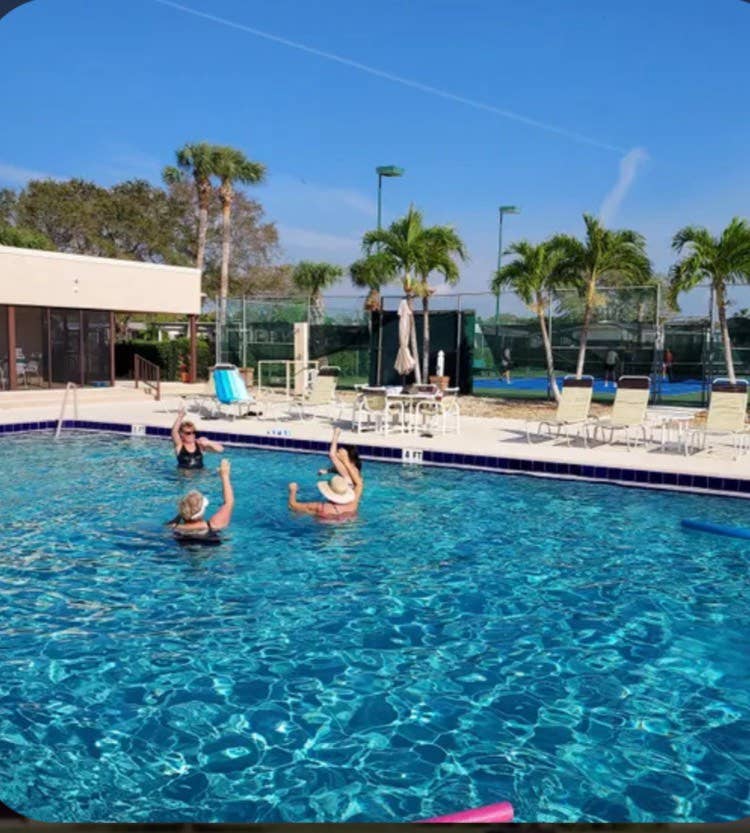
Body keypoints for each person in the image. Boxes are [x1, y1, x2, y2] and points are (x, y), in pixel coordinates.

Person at [289, 446, 363, 520]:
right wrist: (346, 461)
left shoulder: (321, 507)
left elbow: (292, 506)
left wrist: (293, 490)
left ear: (329, 491)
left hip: (327, 527)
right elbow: (359, 484)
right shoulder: (353, 504)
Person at [169, 459, 234, 542]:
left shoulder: (174, 527)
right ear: (202, 510)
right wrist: (225, 476)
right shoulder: (214, 525)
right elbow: (229, 502)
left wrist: (185, 510)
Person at [171, 404, 224, 469]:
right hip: (184, 477)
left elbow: (220, 450)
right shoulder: (179, 445)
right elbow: (174, 432)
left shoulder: (200, 444)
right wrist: (180, 416)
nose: (192, 435)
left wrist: (208, 442)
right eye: (188, 433)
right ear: (181, 434)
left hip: (200, 476)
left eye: (194, 432)